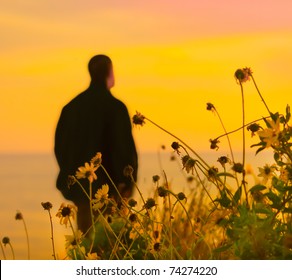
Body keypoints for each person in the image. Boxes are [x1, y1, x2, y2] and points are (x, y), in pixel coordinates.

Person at [54, 54, 138, 233]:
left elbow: (60, 148)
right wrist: (127, 183)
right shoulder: (116, 107)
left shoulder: (71, 108)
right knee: (115, 246)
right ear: (110, 73)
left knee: (87, 244)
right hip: (112, 192)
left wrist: (72, 178)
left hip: (83, 192)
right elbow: (124, 149)